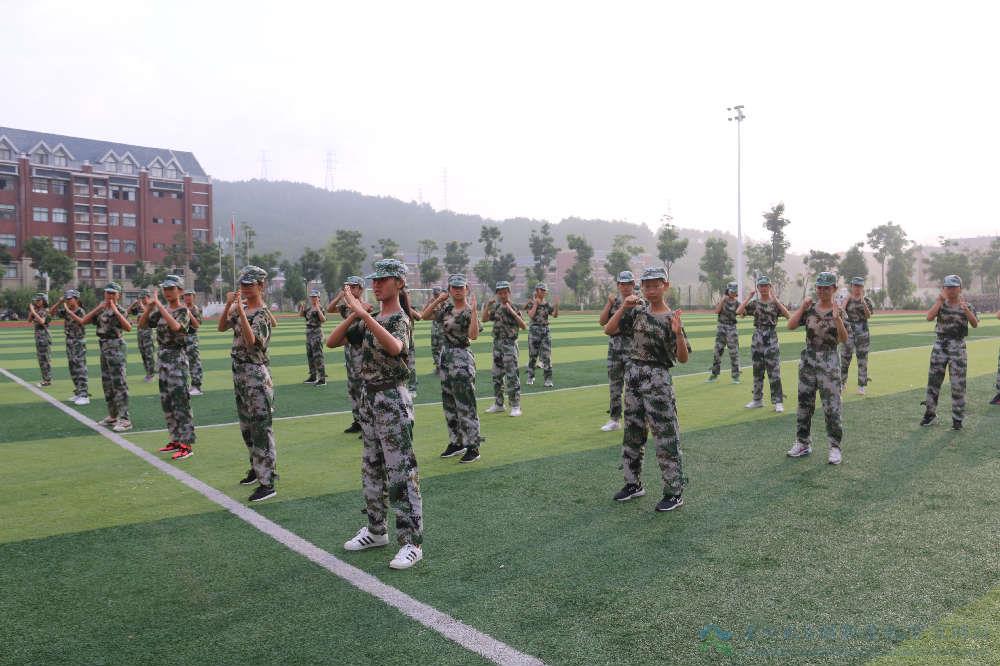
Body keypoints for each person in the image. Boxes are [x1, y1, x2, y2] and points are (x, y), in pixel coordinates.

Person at [328, 258, 424, 570]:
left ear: (399, 283)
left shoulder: (399, 319)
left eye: (384, 279)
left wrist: (363, 315)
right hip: (369, 399)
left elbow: (395, 347)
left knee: (400, 472)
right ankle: (376, 529)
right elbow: (333, 341)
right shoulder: (372, 317)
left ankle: (411, 542)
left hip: (392, 398)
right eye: (375, 280)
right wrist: (356, 314)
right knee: (371, 468)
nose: (377, 284)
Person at [604, 267, 690, 512]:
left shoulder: (671, 317)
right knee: (632, 432)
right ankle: (633, 483)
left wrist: (678, 335)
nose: (651, 290)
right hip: (634, 375)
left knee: (665, 436)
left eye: (656, 285)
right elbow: (609, 329)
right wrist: (623, 307)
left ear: (665, 286)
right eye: (647, 286)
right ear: (641, 287)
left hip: (657, 380)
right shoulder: (637, 312)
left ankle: (674, 492)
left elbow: (683, 358)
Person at [218, 266, 279, 502]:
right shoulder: (239, 307)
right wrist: (229, 305)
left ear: (261, 286)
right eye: (242, 284)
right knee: (246, 426)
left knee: (261, 427)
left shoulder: (262, 315)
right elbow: (221, 327)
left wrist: (242, 313)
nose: (244, 288)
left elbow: (253, 342)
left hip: (255, 373)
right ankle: (256, 467)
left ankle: (268, 481)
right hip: (240, 372)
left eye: (249, 284)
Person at [786, 272, 849, 464]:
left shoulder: (839, 311)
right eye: (819, 287)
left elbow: (844, 339)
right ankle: (803, 442)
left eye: (826, 288)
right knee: (804, 405)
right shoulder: (810, 309)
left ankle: (835, 447)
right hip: (808, 361)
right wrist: (802, 307)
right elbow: (790, 325)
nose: (822, 291)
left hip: (829, 362)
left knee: (832, 407)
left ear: (834, 289)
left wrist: (837, 319)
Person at [421, 274, 482, 463]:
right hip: (446, 358)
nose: (457, 290)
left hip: (462, 359)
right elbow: (424, 316)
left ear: (466, 289)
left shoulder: (468, 311)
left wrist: (474, 312)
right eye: (454, 287)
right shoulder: (446, 309)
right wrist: (438, 299)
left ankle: (473, 446)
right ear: (449, 290)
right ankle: (456, 442)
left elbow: (474, 335)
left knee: (466, 404)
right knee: (449, 404)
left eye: (460, 287)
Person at [140, 276, 196, 460]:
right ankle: (175, 439)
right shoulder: (161, 310)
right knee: (167, 402)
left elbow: (177, 327)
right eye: (165, 289)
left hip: (177, 358)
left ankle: (186, 444)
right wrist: (149, 308)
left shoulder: (183, 310)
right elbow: (142, 324)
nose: (168, 292)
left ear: (180, 291)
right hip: (163, 359)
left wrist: (159, 306)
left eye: (171, 289)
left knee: (181, 402)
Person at [921, 275, 978, 430]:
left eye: (954, 287)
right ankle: (930, 414)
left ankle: (957, 419)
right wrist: (939, 301)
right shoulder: (941, 304)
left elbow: (974, 324)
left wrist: (966, 310)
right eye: (948, 287)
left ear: (960, 288)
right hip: (940, 345)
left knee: (958, 384)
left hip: (958, 346)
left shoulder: (966, 305)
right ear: (944, 288)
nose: (951, 290)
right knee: (934, 381)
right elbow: (929, 317)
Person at [81, 283, 133, 432]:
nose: (109, 296)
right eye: (107, 293)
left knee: (119, 383)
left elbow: (128, 328)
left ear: (118, 295)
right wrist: (98, 308)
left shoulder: (121, 310)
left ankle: (125, 419)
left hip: (116, 347)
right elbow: (83, 321)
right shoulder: (101, 310)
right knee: (107, 384)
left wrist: (115, 311)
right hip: (104, 347)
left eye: (113, 293)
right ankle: (113, 415)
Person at [737, 276, 790, 413]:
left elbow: (788, 315)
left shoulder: (775, 303)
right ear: (758, 288)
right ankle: (757, 400)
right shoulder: (755, 304)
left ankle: (778, 401)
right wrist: (748, 297)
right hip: (758, 338)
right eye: (761, 286)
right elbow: (739, 312)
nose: (764, 288)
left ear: (770, 287)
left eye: (766, 285)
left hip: (771, 337)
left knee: (774, 371)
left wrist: (776, 300)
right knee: (757, 370)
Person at [328, 276, 371, 434]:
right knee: (353, 387)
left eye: (354, 287)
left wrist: (354, 303)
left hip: (361, 351)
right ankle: (357, 420)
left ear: (361, 289)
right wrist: (340, 296)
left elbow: (367, 312)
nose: (350, 290)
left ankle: (368, 422)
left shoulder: (365, 306)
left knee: (364, 386)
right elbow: (330, 309)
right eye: (348, 287)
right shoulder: (347, 307)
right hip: (349, 351)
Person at [598, 271, 639, 431]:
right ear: (618, 285)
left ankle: (633, 418)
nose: (625, 287)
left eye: (628, 284)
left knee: (632, 386)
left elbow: (624, 328)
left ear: (633, 285)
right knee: (614, 385)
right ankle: (614, 419)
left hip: (632, 350)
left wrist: (612, 329)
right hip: (614, 349)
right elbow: (602, 321)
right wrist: (609, 304)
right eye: (622, 284)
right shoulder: (615, 302)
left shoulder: (638, 302)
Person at [482, 280, 526, 416]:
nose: (502, 295)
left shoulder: (514, 307)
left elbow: (523, 326)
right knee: (496, 376)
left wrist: (512, 312)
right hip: (497, 345)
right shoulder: (496, 307)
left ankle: (515, 406)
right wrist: (487, 306)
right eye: (500, 293)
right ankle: (499, 404)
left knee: (512, 376)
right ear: (497, 294)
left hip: (509, 345)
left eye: (505, 292)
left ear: (509, 293)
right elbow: (484, 319)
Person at [50, 289, 90, 404]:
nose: (67, 301)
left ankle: (84, 395)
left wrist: (68, 311)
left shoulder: (80, 311)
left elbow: (82, 322)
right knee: (72, 367)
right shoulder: (66, 310)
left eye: (70, 299)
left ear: (76, 299)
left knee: (80, 367)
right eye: (66, 299)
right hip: (69, 341)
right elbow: (51, 313)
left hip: (78, 341)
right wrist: (59, 302)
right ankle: (78, 391)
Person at [839, 277, 875, 396]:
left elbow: (868, 316)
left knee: (862, 360)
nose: (857, 288)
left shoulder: (867, 300)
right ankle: (842, 382)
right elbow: (840, 313)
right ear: (852, 286)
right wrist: (846, 300)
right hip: (848, 332)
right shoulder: (846, 299)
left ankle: (862, 385)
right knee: (845, 358)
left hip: (862, 333)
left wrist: (863, 302)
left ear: (862, 287)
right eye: (855, 286)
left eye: (860, 286)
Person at [525, 283, 559, 387]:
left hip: (545, 331)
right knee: (533, 356)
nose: (544, 292)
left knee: (547, 356)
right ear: (537, 290)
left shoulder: (547, 304)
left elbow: (554, 315)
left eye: (545, 290)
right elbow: (531, 315)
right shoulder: (531, 303)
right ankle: (530, 376)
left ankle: (548, 379)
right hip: (534, 331)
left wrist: (556, 306)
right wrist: (536, 303)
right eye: (542, 290)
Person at [707, 282, 741, 384]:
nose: (733, 293)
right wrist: (722, 299)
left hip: (732, 328)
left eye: (734, 291)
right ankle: (714, 374)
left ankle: (735, 376)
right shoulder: (723, 300)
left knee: (734, 353)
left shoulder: (737, 303)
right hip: (721, 328)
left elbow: (742, 314)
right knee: (717, 352)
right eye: (731, 291)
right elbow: (717, 311)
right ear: (727, 291)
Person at [300, 289, 328, 387]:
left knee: (318, 356)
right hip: (309, 334)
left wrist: (318, 309)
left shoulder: (320, 308)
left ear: (318, 298)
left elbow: (323, 320)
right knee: (310, 355)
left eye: (315, 297)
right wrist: (302, 307)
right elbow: (301, 315)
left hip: (316, 334)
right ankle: (313, 376)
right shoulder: (309, 308)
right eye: (312, 297)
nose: (313, 299)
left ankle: (322, 379)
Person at [128, 290, 157, 382]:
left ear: (148, 297)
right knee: (143, 354)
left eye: (144, 297)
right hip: (140, 333)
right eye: (141, 298)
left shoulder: (152, 306)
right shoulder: (138, 307)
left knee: (149, 354)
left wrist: (141, 305)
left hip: (148, 332)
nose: (142, 300)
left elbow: (150, 316)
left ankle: (151, 375)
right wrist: (133, 304)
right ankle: (148, 373)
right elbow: (126, 313)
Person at [399, 287, 422, 398]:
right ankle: (401, 387)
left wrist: (406, 307)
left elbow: (419, 317)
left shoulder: (410, 308)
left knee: (410, 366)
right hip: (398, 340)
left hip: (409, 341)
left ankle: (412, 388)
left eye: (407, 294)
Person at [27, 293, 53, 388]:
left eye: (39, 300)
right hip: (39, 338)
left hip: (44, 337)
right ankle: (45, 379)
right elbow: (29, 320)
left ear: (44, 301)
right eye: (36, 301)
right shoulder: (37, 310)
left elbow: (42, 322)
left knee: (45, 359)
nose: (37, 302)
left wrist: (34, 312)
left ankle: (47, 380)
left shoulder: (46, 310)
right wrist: (32, 311)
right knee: (41, 359)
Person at [182, 289, 204, 396]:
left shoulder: (196, 309)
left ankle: (197, 386)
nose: (187, 297)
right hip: (182, 338)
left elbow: (197, 325)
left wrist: (188, 312)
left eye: (189, 295)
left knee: (194, 362)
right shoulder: (181, 308)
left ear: (194, 297)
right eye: (186, 295)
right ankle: (185, 385)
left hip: (191, 337)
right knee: (182, 362)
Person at [428, 286, 445, 374]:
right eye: (434, 294)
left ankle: (443, 367)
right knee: (434, 349)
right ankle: (438, 367)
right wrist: (430, 303)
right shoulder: (433, 303)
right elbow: (424, 315)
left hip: (443, 330)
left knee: (442, 349)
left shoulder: (445, 304)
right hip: (434, 330)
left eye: (437, 294)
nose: (436, 296)